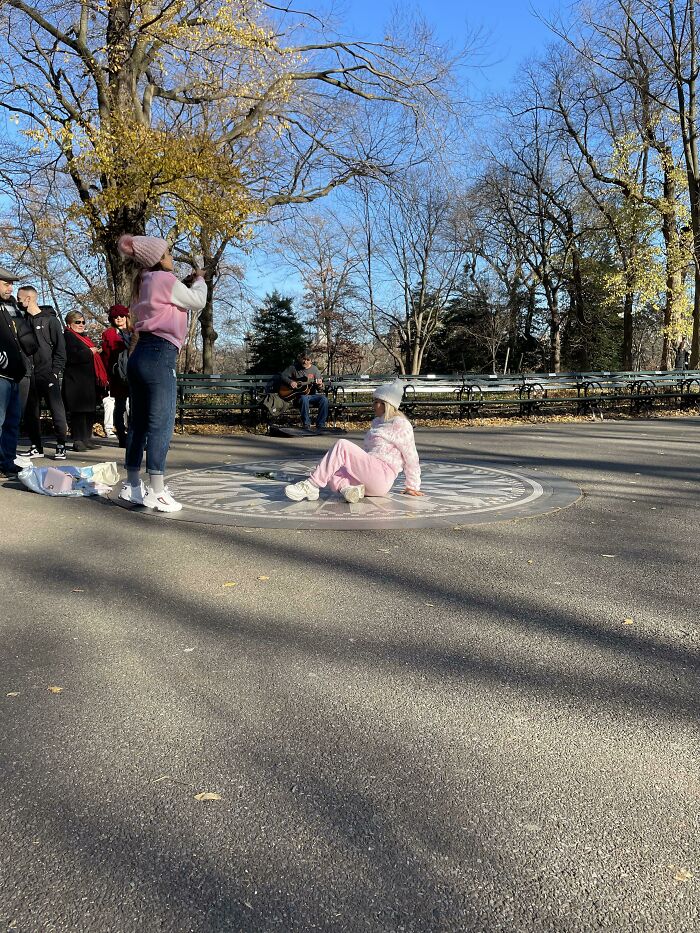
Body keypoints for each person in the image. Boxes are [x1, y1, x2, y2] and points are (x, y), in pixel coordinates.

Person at [117, 234, 207, 513]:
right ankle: (157, 491)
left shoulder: (143, 282)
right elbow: (197, 302)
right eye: (168, 253)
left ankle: (133, 485)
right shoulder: (165, 280)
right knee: (161, 423)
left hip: (140, 355)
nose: (171, 257)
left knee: (140, 424)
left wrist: (186, 283)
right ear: (158, 259)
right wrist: (200, 279)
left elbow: (170, 301)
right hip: (160, 355)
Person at [284, 379, 424, 503]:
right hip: (370, 480)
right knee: (331, 468)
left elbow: (411, 456)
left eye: (376, 402)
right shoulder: (378, 422)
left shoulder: (400, 424)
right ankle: (349, 490)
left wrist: (412, 485)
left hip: (382, 475)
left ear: (386, 404)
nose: (373, 405)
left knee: (342, 445)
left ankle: (312, 485)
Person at [16, 285, 68, 460]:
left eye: (20, 298)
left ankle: (61, 445)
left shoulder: (50, 321)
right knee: (31, 412)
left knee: (56, 410)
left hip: (47, 374)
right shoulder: (22, 322)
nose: (18, 301)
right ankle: (36, 447)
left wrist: (54, 372)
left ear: (29, 299)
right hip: (29, 375)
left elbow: (61, 350)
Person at [62, 310, 109, 451]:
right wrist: (90, 352)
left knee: (89, 411)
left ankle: (86, 438)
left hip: (88, 381)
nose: (81, 325)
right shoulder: (68, 337)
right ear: (69, 324)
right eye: (77, 322)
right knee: (78, 412)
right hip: (75, 381)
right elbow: (72, 357)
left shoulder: (84, 338)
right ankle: (78, 439)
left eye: (83, 322)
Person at [0, 265, 31, 476]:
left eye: (11, 283)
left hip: (15, 373)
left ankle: (6, 462)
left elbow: (25, 337)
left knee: (12, 421)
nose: (10, 288)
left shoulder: (12, 306)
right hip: (0, 375)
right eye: (5, 283)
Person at [100, 304, 132, 446]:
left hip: (133, 373)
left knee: (134, 406)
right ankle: (121, 436)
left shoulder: (134, 331)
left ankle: (133, 434)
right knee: (119, 406)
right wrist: (107, 376)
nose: (119, 318)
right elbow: (106, 357)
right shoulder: (109, 334)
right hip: (116, 375)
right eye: (115, 316)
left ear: (126, 317)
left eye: (121, 316)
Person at [279, 352, 329, 431]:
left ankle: (320, 424)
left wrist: (320, 385)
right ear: (300, 359)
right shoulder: (294, 367)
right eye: (304, 359)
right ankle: (306, 424)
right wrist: (290, 382)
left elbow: (320, 388)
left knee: (324, 399)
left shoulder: (315, 370)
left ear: (311, 361)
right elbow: (283, 375)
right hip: (298, 397)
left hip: (312, 396)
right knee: (304, 398)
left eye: (307, 360)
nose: (305, 362)